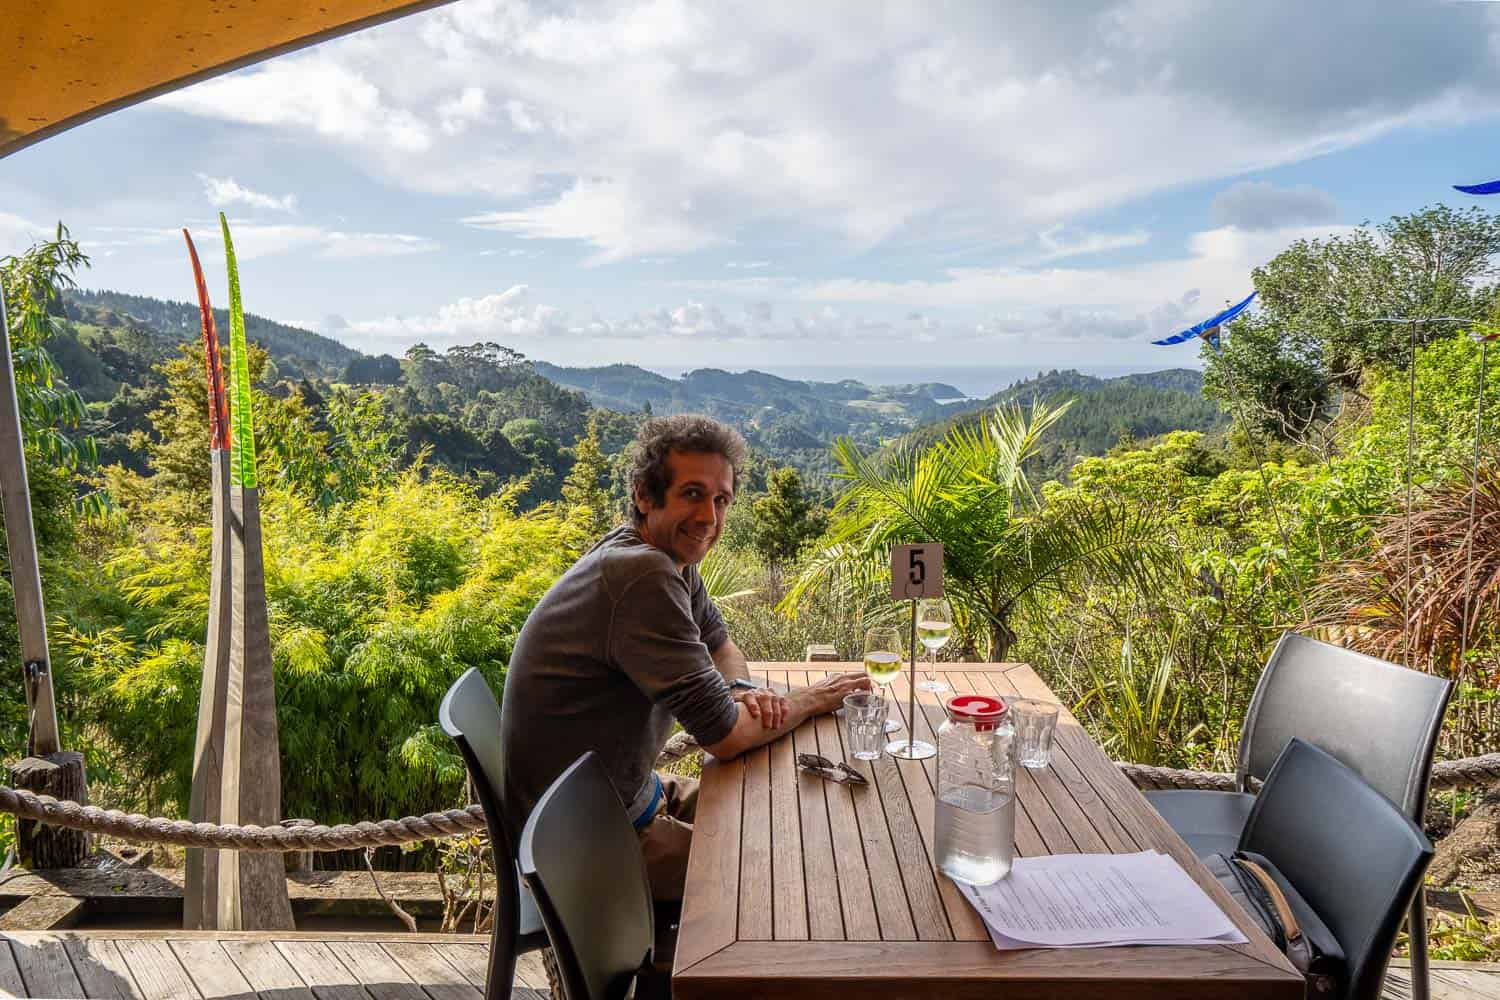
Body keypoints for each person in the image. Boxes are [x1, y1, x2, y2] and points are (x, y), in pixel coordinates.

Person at [499, 414, 868, 900]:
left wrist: (743, 691)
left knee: (779, 816)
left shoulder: (666, 557)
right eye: (692, 494)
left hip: (623, 796)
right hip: (580, 843)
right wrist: (810, 700)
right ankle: (673, 974)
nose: (710, 519)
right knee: (773, 876)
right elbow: (727, 738)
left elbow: (721, 646)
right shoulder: (641, 576)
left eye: (721, 500)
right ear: (643, 495)